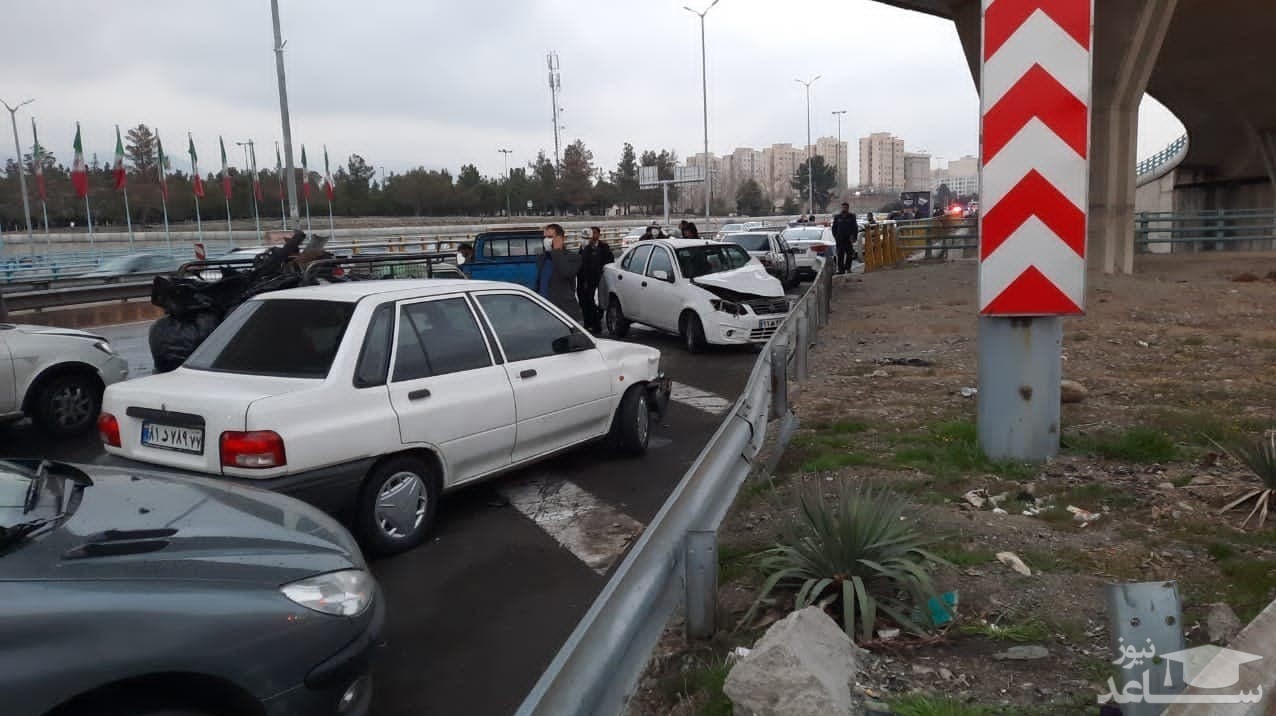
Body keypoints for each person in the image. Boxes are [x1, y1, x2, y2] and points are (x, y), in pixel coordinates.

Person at [536, 224, 583, 322]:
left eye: (549, 237)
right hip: (544, 310)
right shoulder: (542, 258)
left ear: (560, 239)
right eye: (544, 237)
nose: (546, 240)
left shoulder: (573, 258)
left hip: (563, 311)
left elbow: (566, 272)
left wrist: (557, 251)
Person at [576, 227, 614, 333]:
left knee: (593, 302)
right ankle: (588, 323)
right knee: (584, 303)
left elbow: (596, 266)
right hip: (582, 280)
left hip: (594, 280)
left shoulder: (599, 249)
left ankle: (596, 324)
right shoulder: (583, 249)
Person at [831, 202, 859, 275]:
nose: (844, 209)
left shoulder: (852, 216)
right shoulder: (837, 217)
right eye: (843, 207)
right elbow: (834, 228)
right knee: (840, 255)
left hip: (849, 239)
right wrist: (836, 236)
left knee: (849, 255)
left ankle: (848, 268)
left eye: (846, 207)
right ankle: (841, 270)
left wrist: (854, 236)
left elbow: (854, 227)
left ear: (848, 208)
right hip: (840, 239)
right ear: (841, 208)